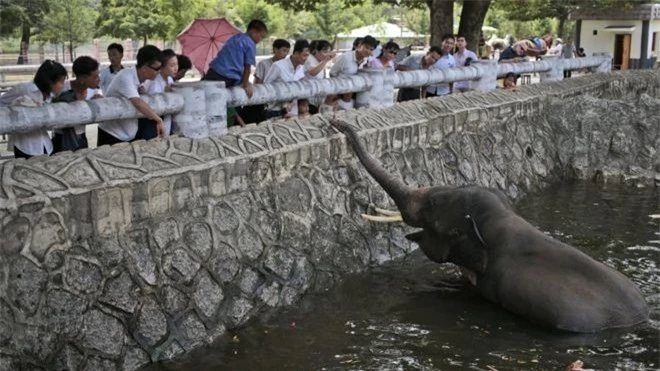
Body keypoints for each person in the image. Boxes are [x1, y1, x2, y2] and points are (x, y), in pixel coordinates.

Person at [97, 45, 165, 146]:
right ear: (145, 68)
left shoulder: (143, 80)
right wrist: (158, 120)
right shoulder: (126, 76)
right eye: (157, 68)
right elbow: (137, 102)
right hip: (112, 133)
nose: (159, 71)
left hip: (128, 132)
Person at [0, 60, 67, 158]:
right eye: (61, 82)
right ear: (49, 81)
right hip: (25, 145)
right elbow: (2, 102)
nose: (63, 86)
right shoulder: (24, 89)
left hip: (45, 143)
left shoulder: (49, 96)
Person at [204, 19, 268, 98]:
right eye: (261, 36)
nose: (260, 39)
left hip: (214, 71)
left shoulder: (235, 37)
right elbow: (247, 67)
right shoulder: (250, 44)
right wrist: (246, 85)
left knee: (202, 95)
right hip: (228, 77)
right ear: (254, 31)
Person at [52, 56, 101, 153]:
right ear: (82, 78)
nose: (98, 79)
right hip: (61, 138)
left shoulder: (94, 91)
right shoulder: (62, 89)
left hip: (81, 135)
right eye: (95, 77)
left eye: (98, 75)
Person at [263, 39, 310, 119]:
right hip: (276, 112)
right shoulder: (278, 66)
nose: (306, 58)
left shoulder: (301, 68)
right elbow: (266, 86)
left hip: (293, 111)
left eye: (307, 56)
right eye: (304, 55)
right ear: (296, 53)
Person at [137, 49, 178, 140]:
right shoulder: (154, 81)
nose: (176, 68)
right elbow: (152, 104)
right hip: (153, 124)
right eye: (172, 65)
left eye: (176, 64)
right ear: (161, 67)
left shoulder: (170, 80)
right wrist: (166, 95)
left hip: (166, 122)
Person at [304, 39, 336, 114]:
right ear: (316, 51)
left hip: (318, 97)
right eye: (325, 52)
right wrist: (325, 61)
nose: (327, 54)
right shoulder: (309, 59)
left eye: (329, 52)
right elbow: (313, 72)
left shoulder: (321, 62)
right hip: (308, 98)